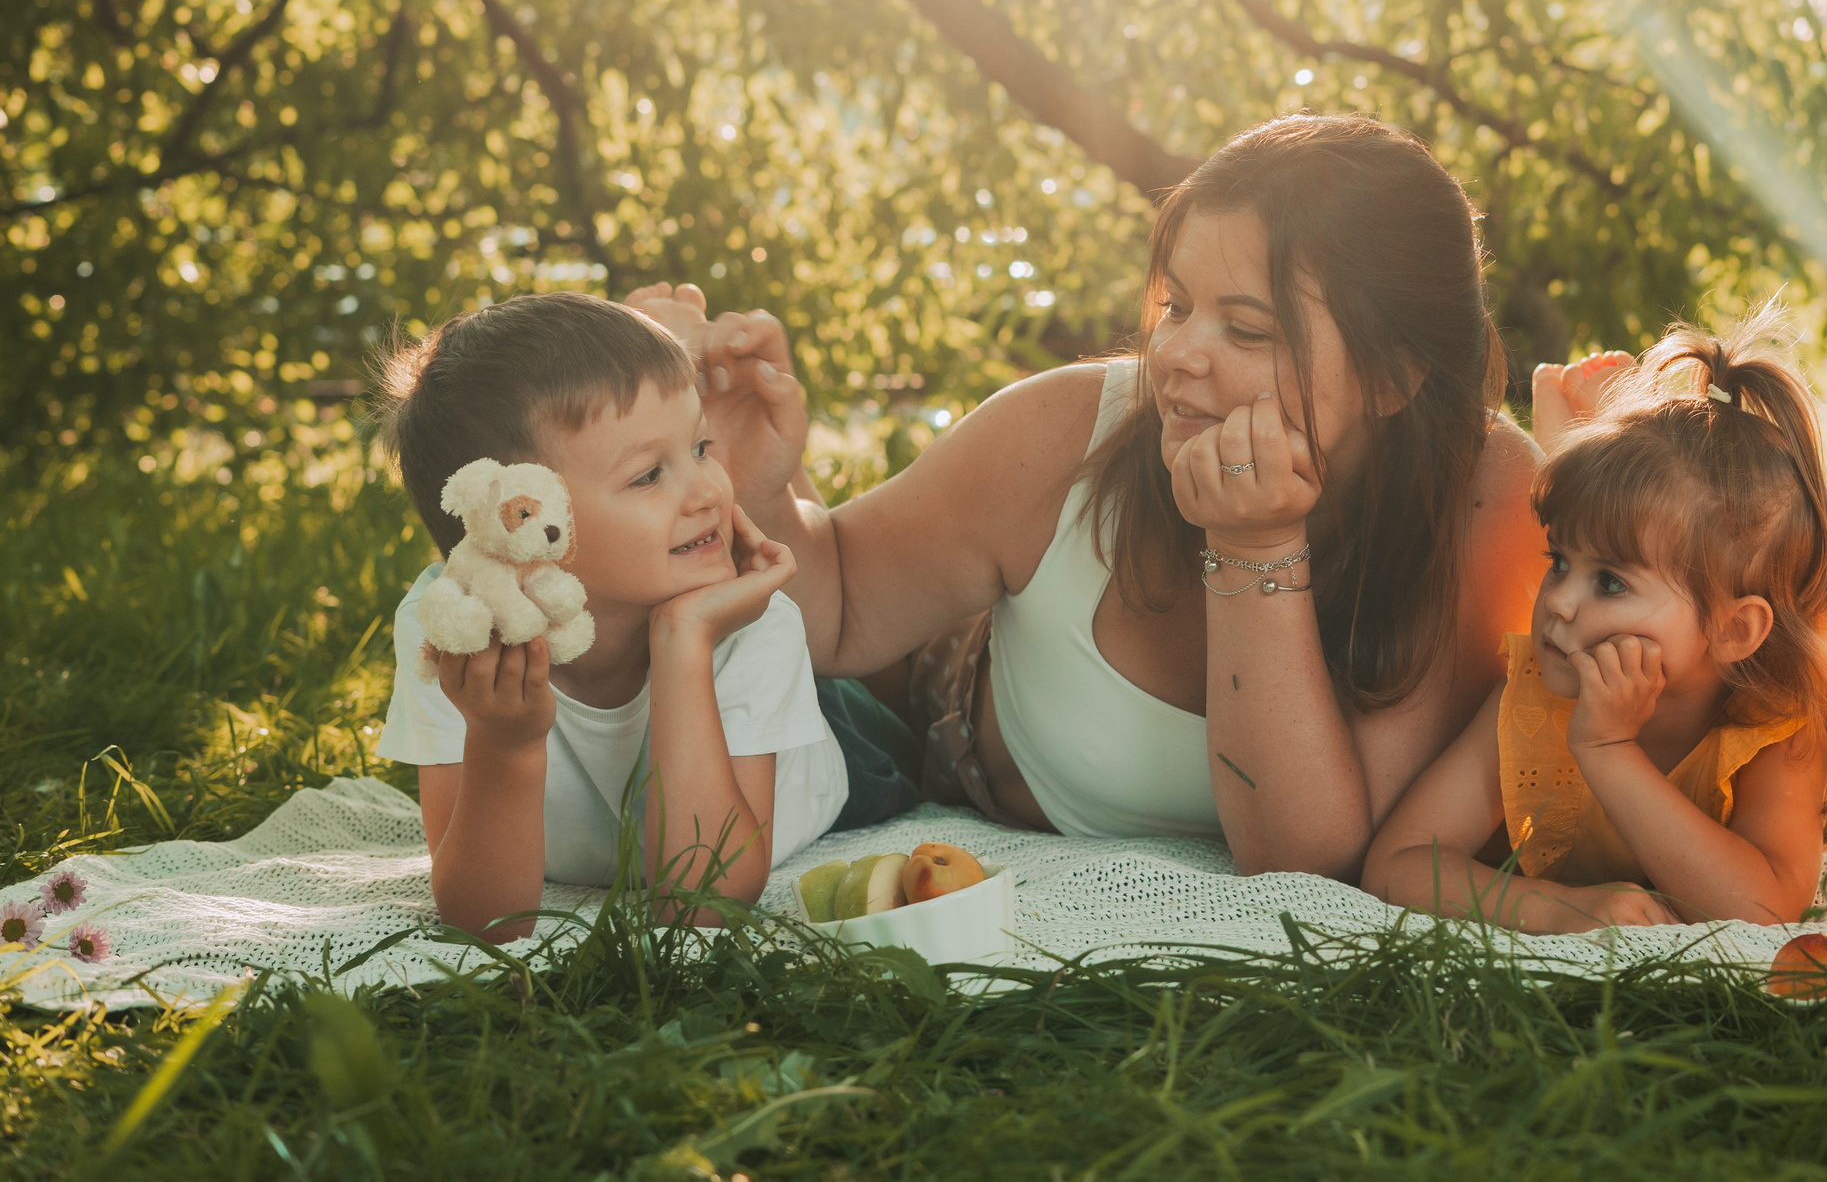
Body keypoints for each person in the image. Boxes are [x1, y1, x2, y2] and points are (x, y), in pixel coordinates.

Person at [632, 115, 1550, 879]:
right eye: (1180, 305)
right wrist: (747, 473)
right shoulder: (1064, 431)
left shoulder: (1486, 498)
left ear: (1394, 377)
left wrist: (1256, 545)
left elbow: (1310, 858)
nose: (1179, 354)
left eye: (1247, 327)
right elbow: (838, 609)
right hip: (906, 729)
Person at [373, 293, 914, 942]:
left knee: (924, 717)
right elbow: (486, 919)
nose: (710, 489)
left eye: (702, 445)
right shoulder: (455, 631)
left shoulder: (751, 620)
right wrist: (504, 745)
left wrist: (684, 640)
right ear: (510, 531)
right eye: (648, 475)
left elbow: (702, 904)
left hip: (845, 750)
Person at [1363, 307, 1827, 931]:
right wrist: (1561, 908)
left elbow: (1766, 907)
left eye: (1610, 581)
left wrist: (1608, 751)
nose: (1559, 601)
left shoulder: (1775, 728)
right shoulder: (1533, 700)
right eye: (1558, 561)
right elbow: (1397, 863)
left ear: (1734, 630)